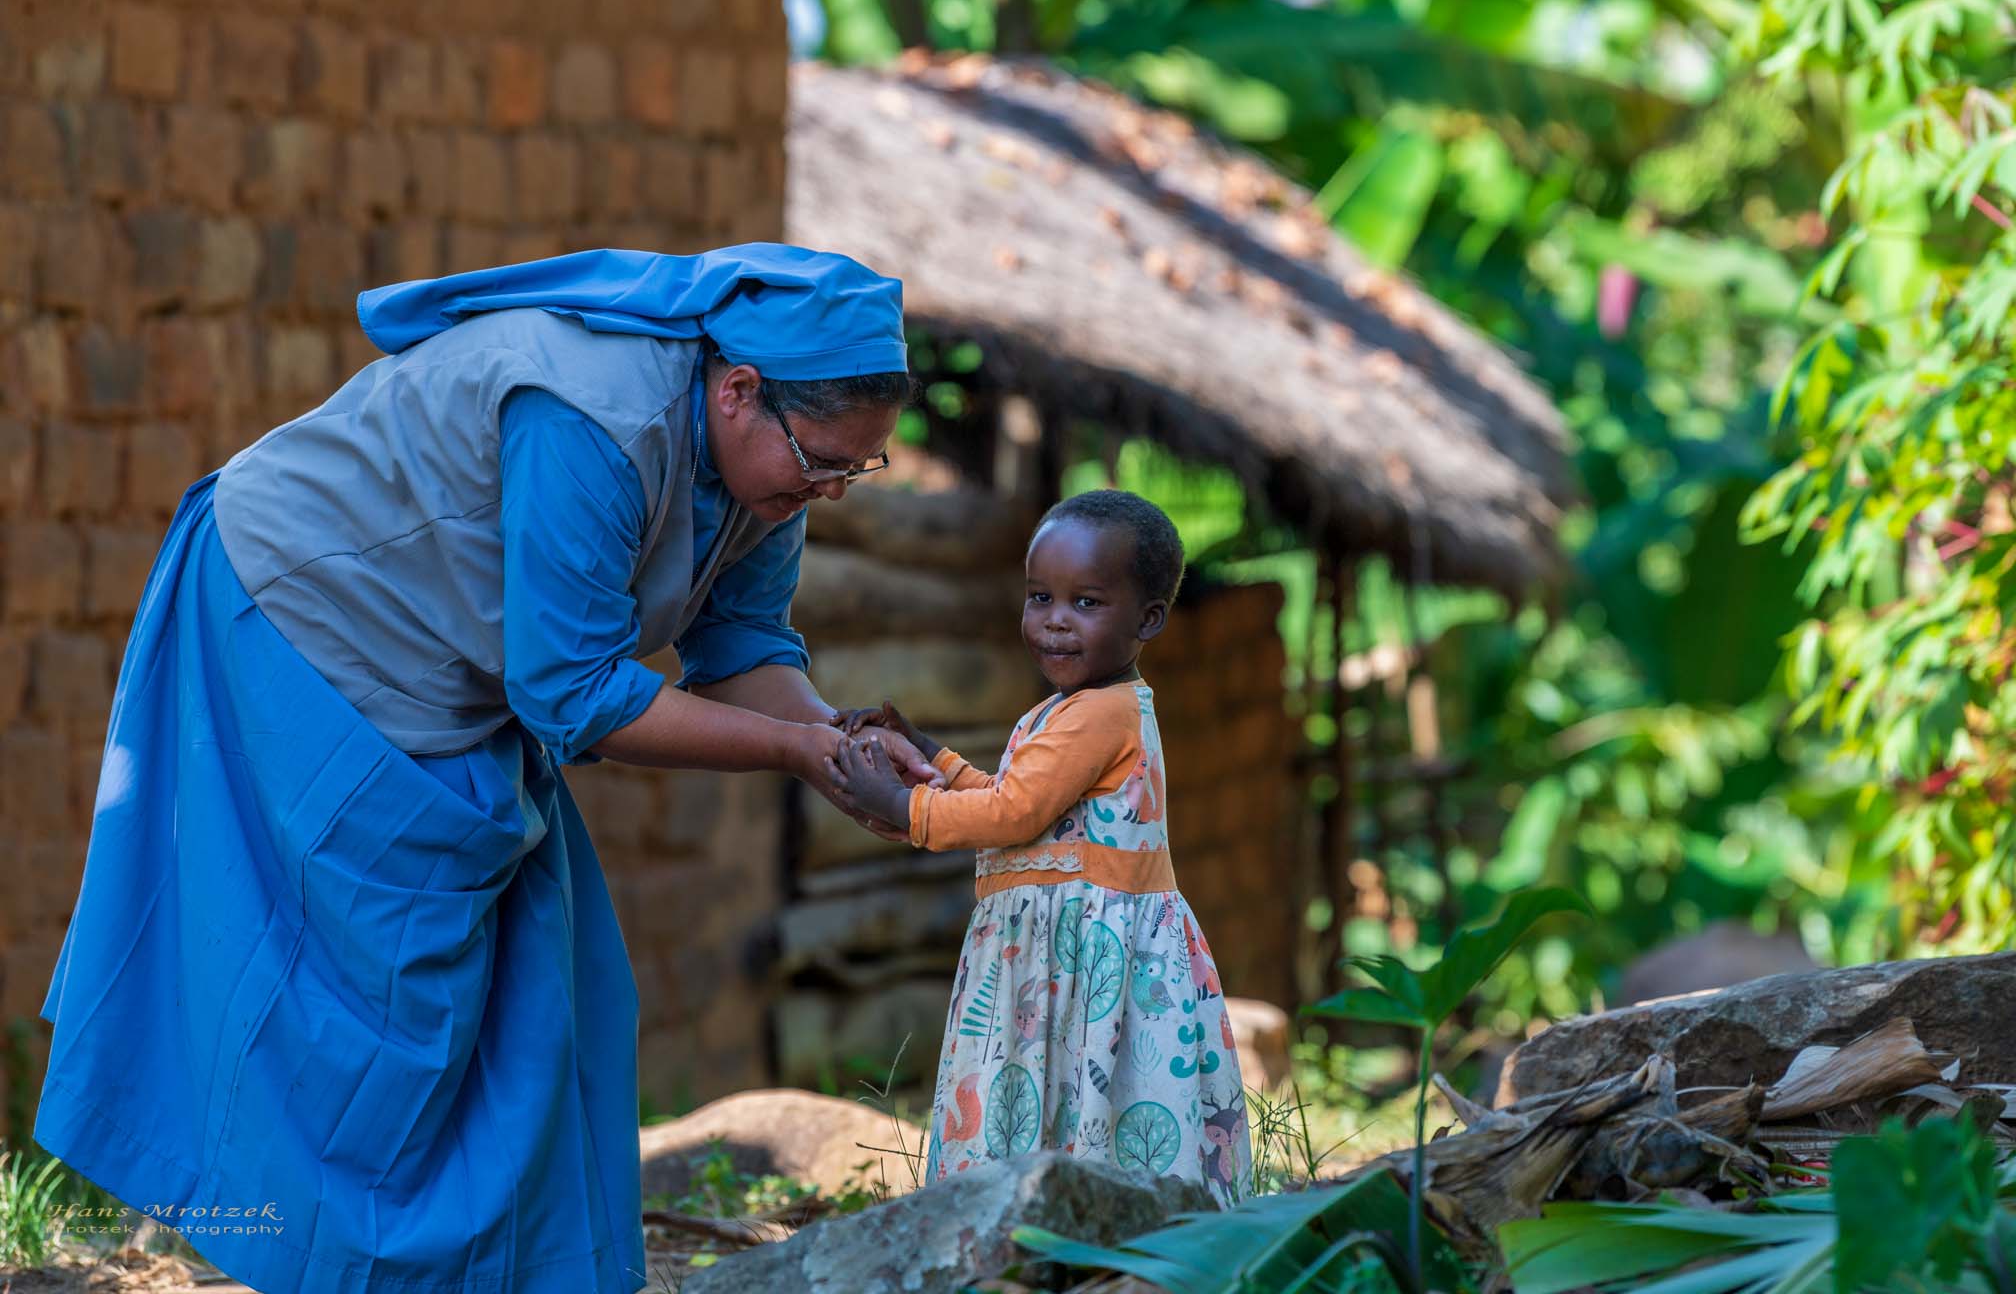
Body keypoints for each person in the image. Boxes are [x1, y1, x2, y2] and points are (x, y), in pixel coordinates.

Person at [32, 245, 941, 1294]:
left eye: (855, 469)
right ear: (737, 392)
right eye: (822, 459)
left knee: (545, 986)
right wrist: (802, 752)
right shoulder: (594, 421)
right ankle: (320, 1257)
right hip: (300, 617)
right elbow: (574, 697)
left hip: (455, 672)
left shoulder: (767, 480)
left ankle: (487, 1272)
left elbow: (742, 653)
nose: (830, 490)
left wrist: (839, 741)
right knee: (371, 1006)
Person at [825, 489, 1254, 1206]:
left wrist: (905, 806)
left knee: (1088, 1110)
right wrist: (929, 752)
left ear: (1148, 617)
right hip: (1063, 955)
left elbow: (1011, 812)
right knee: (1069, 1112)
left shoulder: (1099, 713)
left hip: (1087, 958)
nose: (1055, 621)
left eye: (1086, 603)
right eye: (1039, 597)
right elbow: (1026, 811)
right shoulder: (1073, 710)